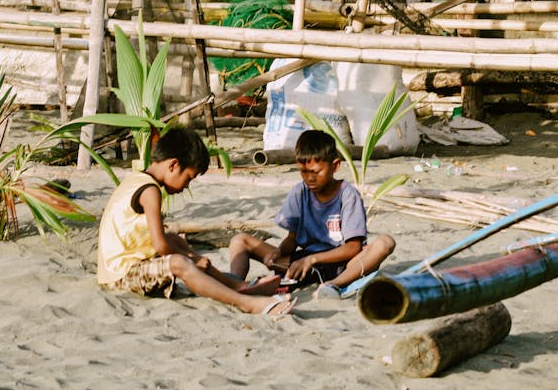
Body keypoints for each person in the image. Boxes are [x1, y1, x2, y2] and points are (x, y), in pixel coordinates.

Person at [96, 126, 296, 317]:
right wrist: (192, 259)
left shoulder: (137, 179)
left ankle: (234, 284)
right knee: (179, 261)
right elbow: (160, 245)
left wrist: (192, 256)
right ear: (173, 165)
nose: (186, 186)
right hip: (120, 276)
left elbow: (164, 239)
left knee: (175, 239)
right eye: (188, 178)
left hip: (121, 267)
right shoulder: (150, 191)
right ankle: (245, 302)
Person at [228, 129, 396, 299]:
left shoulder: (347, 195)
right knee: (240, 240)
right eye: (303, 172)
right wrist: (277, 253)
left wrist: (313, 259)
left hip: (341, 263)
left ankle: (333, 285)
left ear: (335, 166)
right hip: (303, 262)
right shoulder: (299, 193)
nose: (309, 178)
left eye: (315, 172)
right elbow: (292, 239)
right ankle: (236, 283)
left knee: (385, 243)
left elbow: (353, 248)